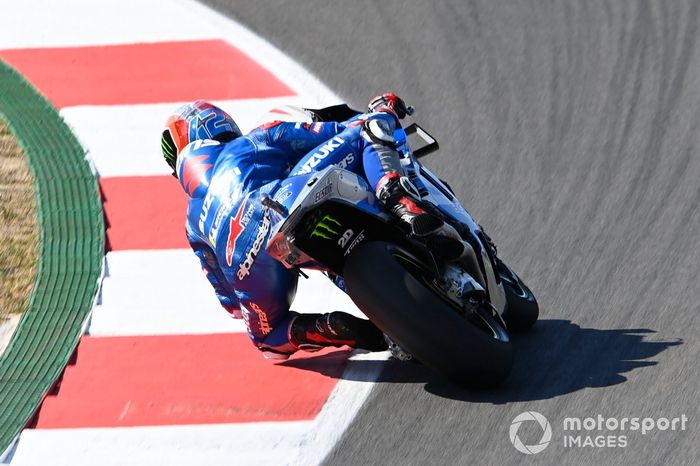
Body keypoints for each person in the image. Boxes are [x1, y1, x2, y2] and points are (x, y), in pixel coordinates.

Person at [160, 94, 464, 359]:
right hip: (281, 202)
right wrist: (384, 110)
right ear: (222, 125)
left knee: (266, 339)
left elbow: (231, 306)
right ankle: (400, 200)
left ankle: (344, 330)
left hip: (249, 269)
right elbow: (334, 131)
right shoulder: (255, 138)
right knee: (368, 128)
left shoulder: (192, 222)